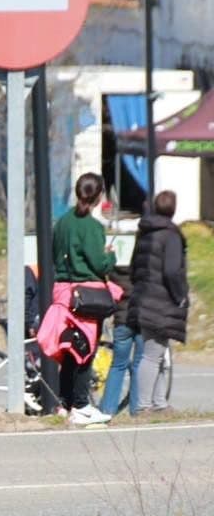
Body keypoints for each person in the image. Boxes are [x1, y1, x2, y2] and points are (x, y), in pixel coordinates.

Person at [40, 172, 117, 425]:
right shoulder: (92, 227)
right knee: (86, 348)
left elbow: (53, 256)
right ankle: (82, 405)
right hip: (86, 294)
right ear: (99, 196)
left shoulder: (61, 223)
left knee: (70, 348)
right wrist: (110, 255)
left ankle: (64, 403)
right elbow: (99, 264)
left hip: (62, 290)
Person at [128, 190, 188, 413]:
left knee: (158, 352)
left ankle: (160, 403)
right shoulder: (170, 235)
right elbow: (172, 270)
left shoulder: (144, 233)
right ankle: (145, 405)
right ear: (173, 209)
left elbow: (134, 267)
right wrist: (180, 295)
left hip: (144, 297)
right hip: (161, 300)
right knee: (152, 355)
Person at [97, 263, 143, 415]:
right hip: (143, 319)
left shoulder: (114, 268)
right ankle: (137, 410)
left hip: (121, 321)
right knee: (139, 365)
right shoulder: (144, 265)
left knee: (118, 365)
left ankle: (107, 410)